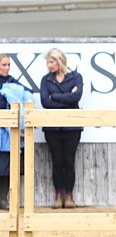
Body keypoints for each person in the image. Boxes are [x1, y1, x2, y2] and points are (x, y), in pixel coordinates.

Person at [39, 48, 85, 209]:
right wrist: (67, 97)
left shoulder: (76, 77)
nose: (49, 65)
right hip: (53, 128)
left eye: (51, 62)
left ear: (60, 61)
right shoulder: (46, 80)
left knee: (69, 161)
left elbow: (76, 97)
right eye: (48, 62)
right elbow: (45, 102)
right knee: (57, 162)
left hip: (72, 127)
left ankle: (69, 196)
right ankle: (58, 196)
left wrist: (56, 97)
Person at [0, 54, 33, 210]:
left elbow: (28, 94)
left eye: (8, 65)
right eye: (3, 65)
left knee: (7, 167)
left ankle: (4, 200)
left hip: (7, 134)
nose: (6, 68)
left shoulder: (13, 82)